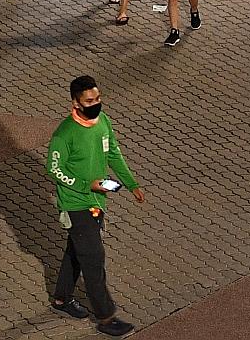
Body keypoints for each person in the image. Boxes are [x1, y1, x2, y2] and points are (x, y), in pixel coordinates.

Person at [46, 75, 145, 337]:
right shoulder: (64, 133)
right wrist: (84, 185)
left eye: (98, 98)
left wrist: (131, 184)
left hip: (97, 201)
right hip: (76, 204)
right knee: (93, 260)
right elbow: (54, 169)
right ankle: (105, 316)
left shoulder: (103, 122)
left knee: (77, 252)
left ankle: (61, 298)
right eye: (89, 100)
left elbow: (114, 153)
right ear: (75, 103)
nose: (96, 104)